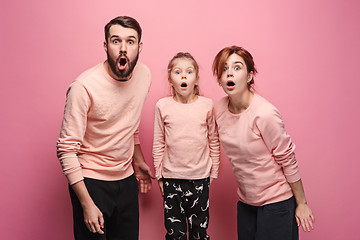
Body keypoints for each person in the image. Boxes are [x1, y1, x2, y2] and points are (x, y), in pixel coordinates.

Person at [56, 16, 154, 240]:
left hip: (126, 180)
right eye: (115, 41)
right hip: (91, 183)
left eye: (130, 42)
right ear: (105, 45)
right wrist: (86, 203)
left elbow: (130, 123)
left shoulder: (144, 75)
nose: (122, 48)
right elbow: (66, 150)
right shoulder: (83, 87)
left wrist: (138, 161)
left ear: (139, 46)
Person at [212, 46, 315, 240]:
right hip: (246, 203)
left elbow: (287, 158)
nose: (229, 73)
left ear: (250, 76)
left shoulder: (265, 114)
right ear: (219, 78)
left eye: (237, 67)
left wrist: (301, 203)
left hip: (276, 203)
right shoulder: (218, 109)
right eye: (224, 69)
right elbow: (207, 140)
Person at [152, 52, 220, 240]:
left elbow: (213, 140)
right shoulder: (162, 106)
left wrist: (212, 172)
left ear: (196, 79)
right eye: (178, 72)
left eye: (189, 72)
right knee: (175, 234)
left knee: (199, 233)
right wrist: (159, 176)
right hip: (171, 179)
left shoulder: (207, 105)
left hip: (200, 179)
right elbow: (158, 143)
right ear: (170, 79)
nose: (184, 76)